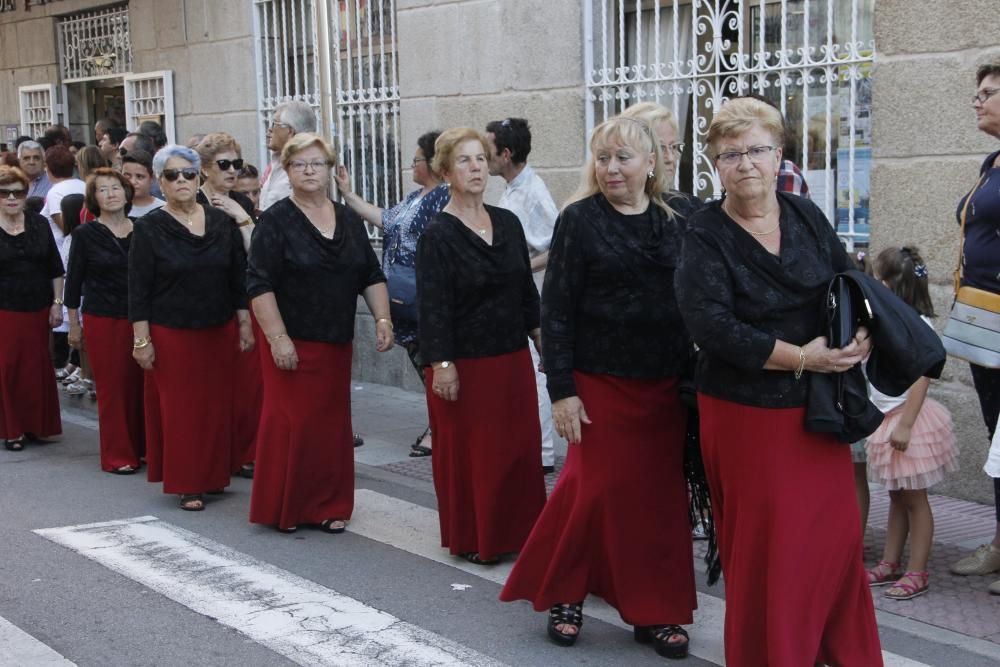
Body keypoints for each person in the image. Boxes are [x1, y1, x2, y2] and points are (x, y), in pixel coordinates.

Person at [674, 96, 882, 665]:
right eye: (731, 153)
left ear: (779, 154)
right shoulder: (704, 233)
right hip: (747, 416)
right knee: (774, 552)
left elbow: (848, 281)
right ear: (716, 163)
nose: (746, 164)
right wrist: (800, 357)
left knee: (834, 541)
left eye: (757, 150)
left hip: (819, 410)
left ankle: (838, 653)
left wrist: (860, 333)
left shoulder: (806, 215)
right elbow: (710, 327)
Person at [499, 117, 695, 659]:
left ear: (652, 162)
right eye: (602, 158)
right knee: (593, 489)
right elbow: (555, 308)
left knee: (656, 501)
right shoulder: (580, 220)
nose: (610, 168)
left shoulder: (682, 218)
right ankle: (567, 593)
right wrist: (561, 389)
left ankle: (656, 610)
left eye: (623, 157)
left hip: (665, 387)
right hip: (598, 381)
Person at [247, 133, 393, 533]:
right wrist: (278, 339)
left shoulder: (347, 218)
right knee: (293, 421)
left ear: (331, 170)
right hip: (290, 339)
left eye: (317, 164)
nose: (309, 171)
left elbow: (370, 273)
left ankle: (329, 505)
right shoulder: (275, 220)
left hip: (335, 340)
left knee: (330, 425)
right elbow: (259, 284)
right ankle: (287, 507)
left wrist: (382, 319)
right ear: (287, 171)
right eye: (300, 164)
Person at [416, 127, 545, 564]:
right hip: (466, 364)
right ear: (446, 171)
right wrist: (443, 364)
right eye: (464, 161)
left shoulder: (507, 222)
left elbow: (527, 292)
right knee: (478, 457)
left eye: (479, 159)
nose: (475, 168)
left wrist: (543, 341)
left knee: (518, 451)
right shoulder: (438, 233)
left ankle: (523, 533)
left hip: (511, 359)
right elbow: (433, 306)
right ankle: (478, 538)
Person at [129, 144, 253, 512]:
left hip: (218, 328)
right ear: (159, 183)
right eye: (171, 175)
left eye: (188, 173)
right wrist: (141, 339)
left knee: (215, 406)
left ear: (199, 177)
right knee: (182, 409)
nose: (181, 180)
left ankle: (214, 475)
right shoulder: (150, 227)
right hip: (172, 333)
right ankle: (188, 483)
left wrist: (243, 322)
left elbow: (237, 277)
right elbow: (139, 288)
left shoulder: (219, 221)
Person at [334, 130, 449, 457]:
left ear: (433, 163)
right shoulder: (416, 198)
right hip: (405, 299)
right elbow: (385, 219)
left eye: (415, 159)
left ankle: (439, 428)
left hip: (425, 298)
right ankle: (437, 424)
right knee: (423, 365)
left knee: (433, 363)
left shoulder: (444, 196)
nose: (410, 165)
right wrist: (348, 193)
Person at [864, 246, 958, 600]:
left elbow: (922, 376)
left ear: (888, 284)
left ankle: (918, 570)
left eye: (876, 279)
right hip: (888, 419)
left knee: (915, 500)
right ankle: (891, 561)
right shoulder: (888, 322)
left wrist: (905, 424)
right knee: (896, 496)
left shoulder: (917, 325)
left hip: (908, 420)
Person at [950, 62, 1000, 590]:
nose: (976, 100)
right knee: (996, 436)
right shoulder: (992, 162)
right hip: (985, 317)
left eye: (987, 92)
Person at [484, 117, 558, 473]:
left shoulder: (534, 192)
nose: (484, 159)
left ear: (506, 153)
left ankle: (542, 453)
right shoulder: (513, 188)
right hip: (515, 297)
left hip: (533, 297)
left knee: (537, 371)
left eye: (488, 151)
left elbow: (556, 246)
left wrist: (519, 270)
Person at [64, 168, 145, 474]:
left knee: (141, 385)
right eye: (103, 189)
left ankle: (144, 448)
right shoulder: (85, 234)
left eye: (116, 187)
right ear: (93, 198)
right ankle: (118, 455)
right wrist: (74, 323)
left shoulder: (142, 228)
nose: (111, 193)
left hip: (142, 317)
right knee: (113, 388)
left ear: (127, 193)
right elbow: (74, 283)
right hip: (103, 319)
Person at [194, 132, 259, 478]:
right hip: (207, 301)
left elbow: (259, 255)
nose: (233, 171)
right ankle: (217, 453)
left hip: (245, 298)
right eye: (224, 165)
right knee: (214, 383)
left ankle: (247, 452)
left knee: (247, 382)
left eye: (237, 163)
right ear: (205, 169)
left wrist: (242, 216)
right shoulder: (195, 202)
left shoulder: (242, 203)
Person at [0, 166, 63, 451]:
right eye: (4, 193)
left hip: (38, 307)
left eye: (19, 192)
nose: (12, 198)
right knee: (7, 368)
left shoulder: (38, 224)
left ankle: (35, 425)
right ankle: (11, 429)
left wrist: (56, 303)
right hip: (4, 309)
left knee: (35, 368)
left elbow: (55, 268)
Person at [259, 101, 316, 211]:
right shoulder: (276, 162)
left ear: (290, 131)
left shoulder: (307, 170)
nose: (269, 129)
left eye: (274, 124)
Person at [39, 145, 85, 246]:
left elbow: (66, 228)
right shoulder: (84, 185)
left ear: (48, 167)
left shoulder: (54, 192)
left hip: (64, 251)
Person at [121, 150, 165, 217]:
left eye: (139, 177)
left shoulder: (163, 210)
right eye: (127, 176)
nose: (132, 182)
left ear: (152, 178)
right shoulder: (117, 210)